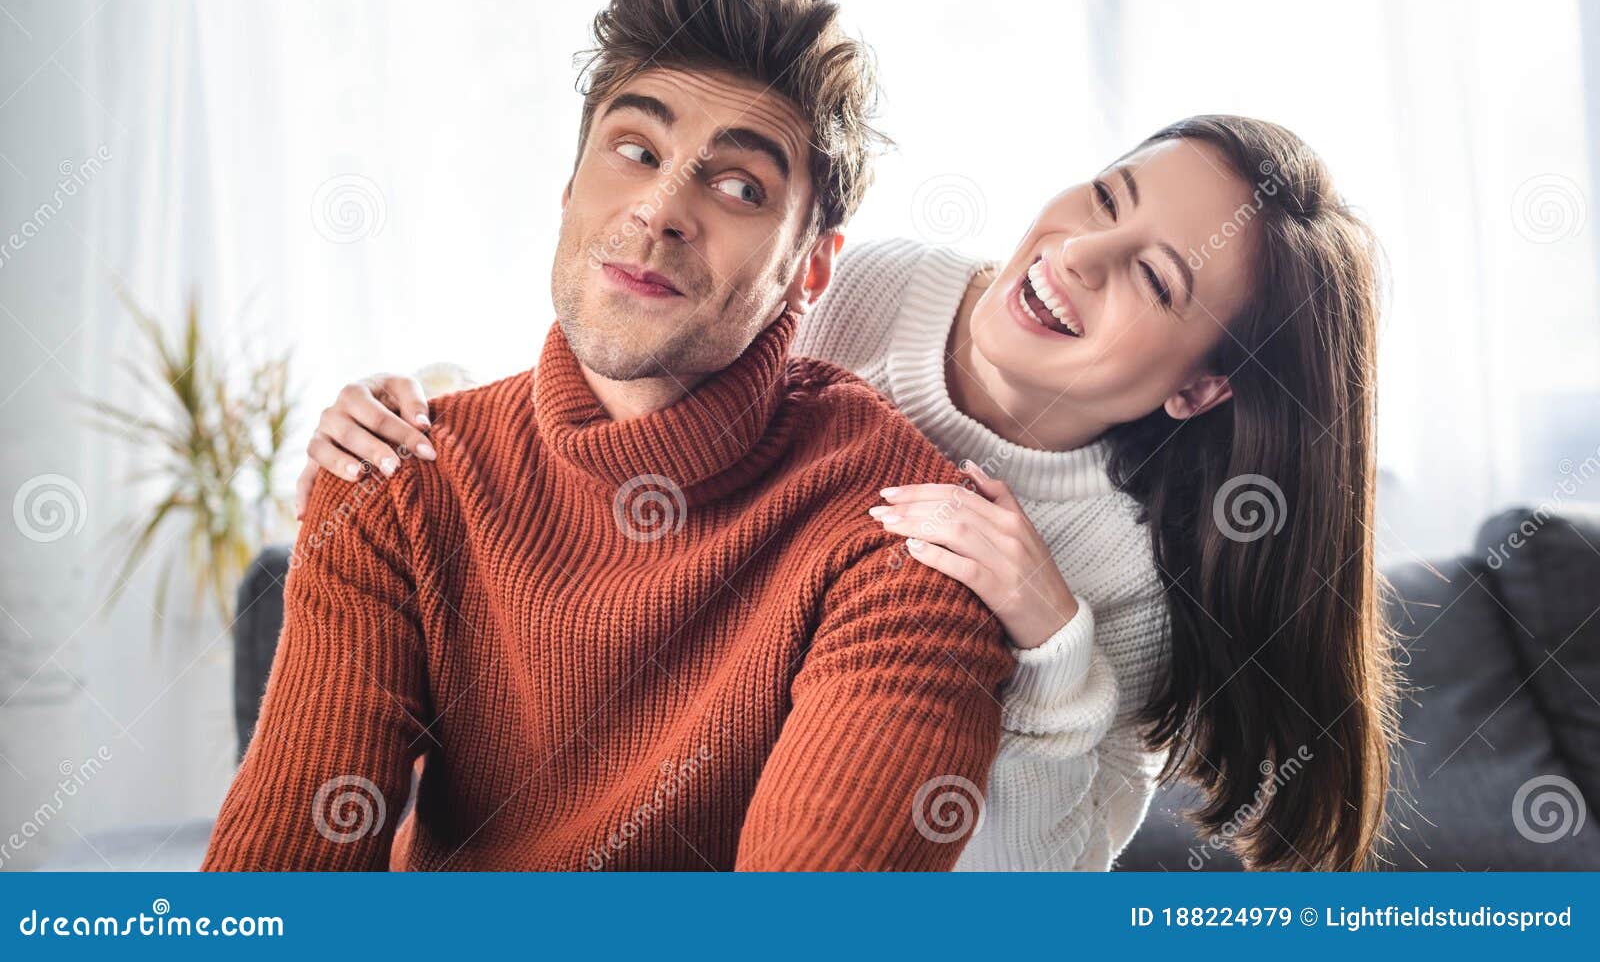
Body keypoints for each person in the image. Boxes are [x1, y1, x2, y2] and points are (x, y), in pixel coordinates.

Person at [307, 112, 1403, 870]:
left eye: (1156, 280)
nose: (1078, 255)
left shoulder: (1127, 576)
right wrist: (419, 422)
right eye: (1105, 197)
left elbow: (1018, 889)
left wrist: (1051, 659)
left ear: (1202, 386)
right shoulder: (879, 286)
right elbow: (628, 405)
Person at [202, 0, 1017, 872]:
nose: (661, 208)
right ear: (568, 190)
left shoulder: (903, 530)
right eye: (635, 151)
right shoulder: (396, 472)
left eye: (740, 186)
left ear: (811, 264)